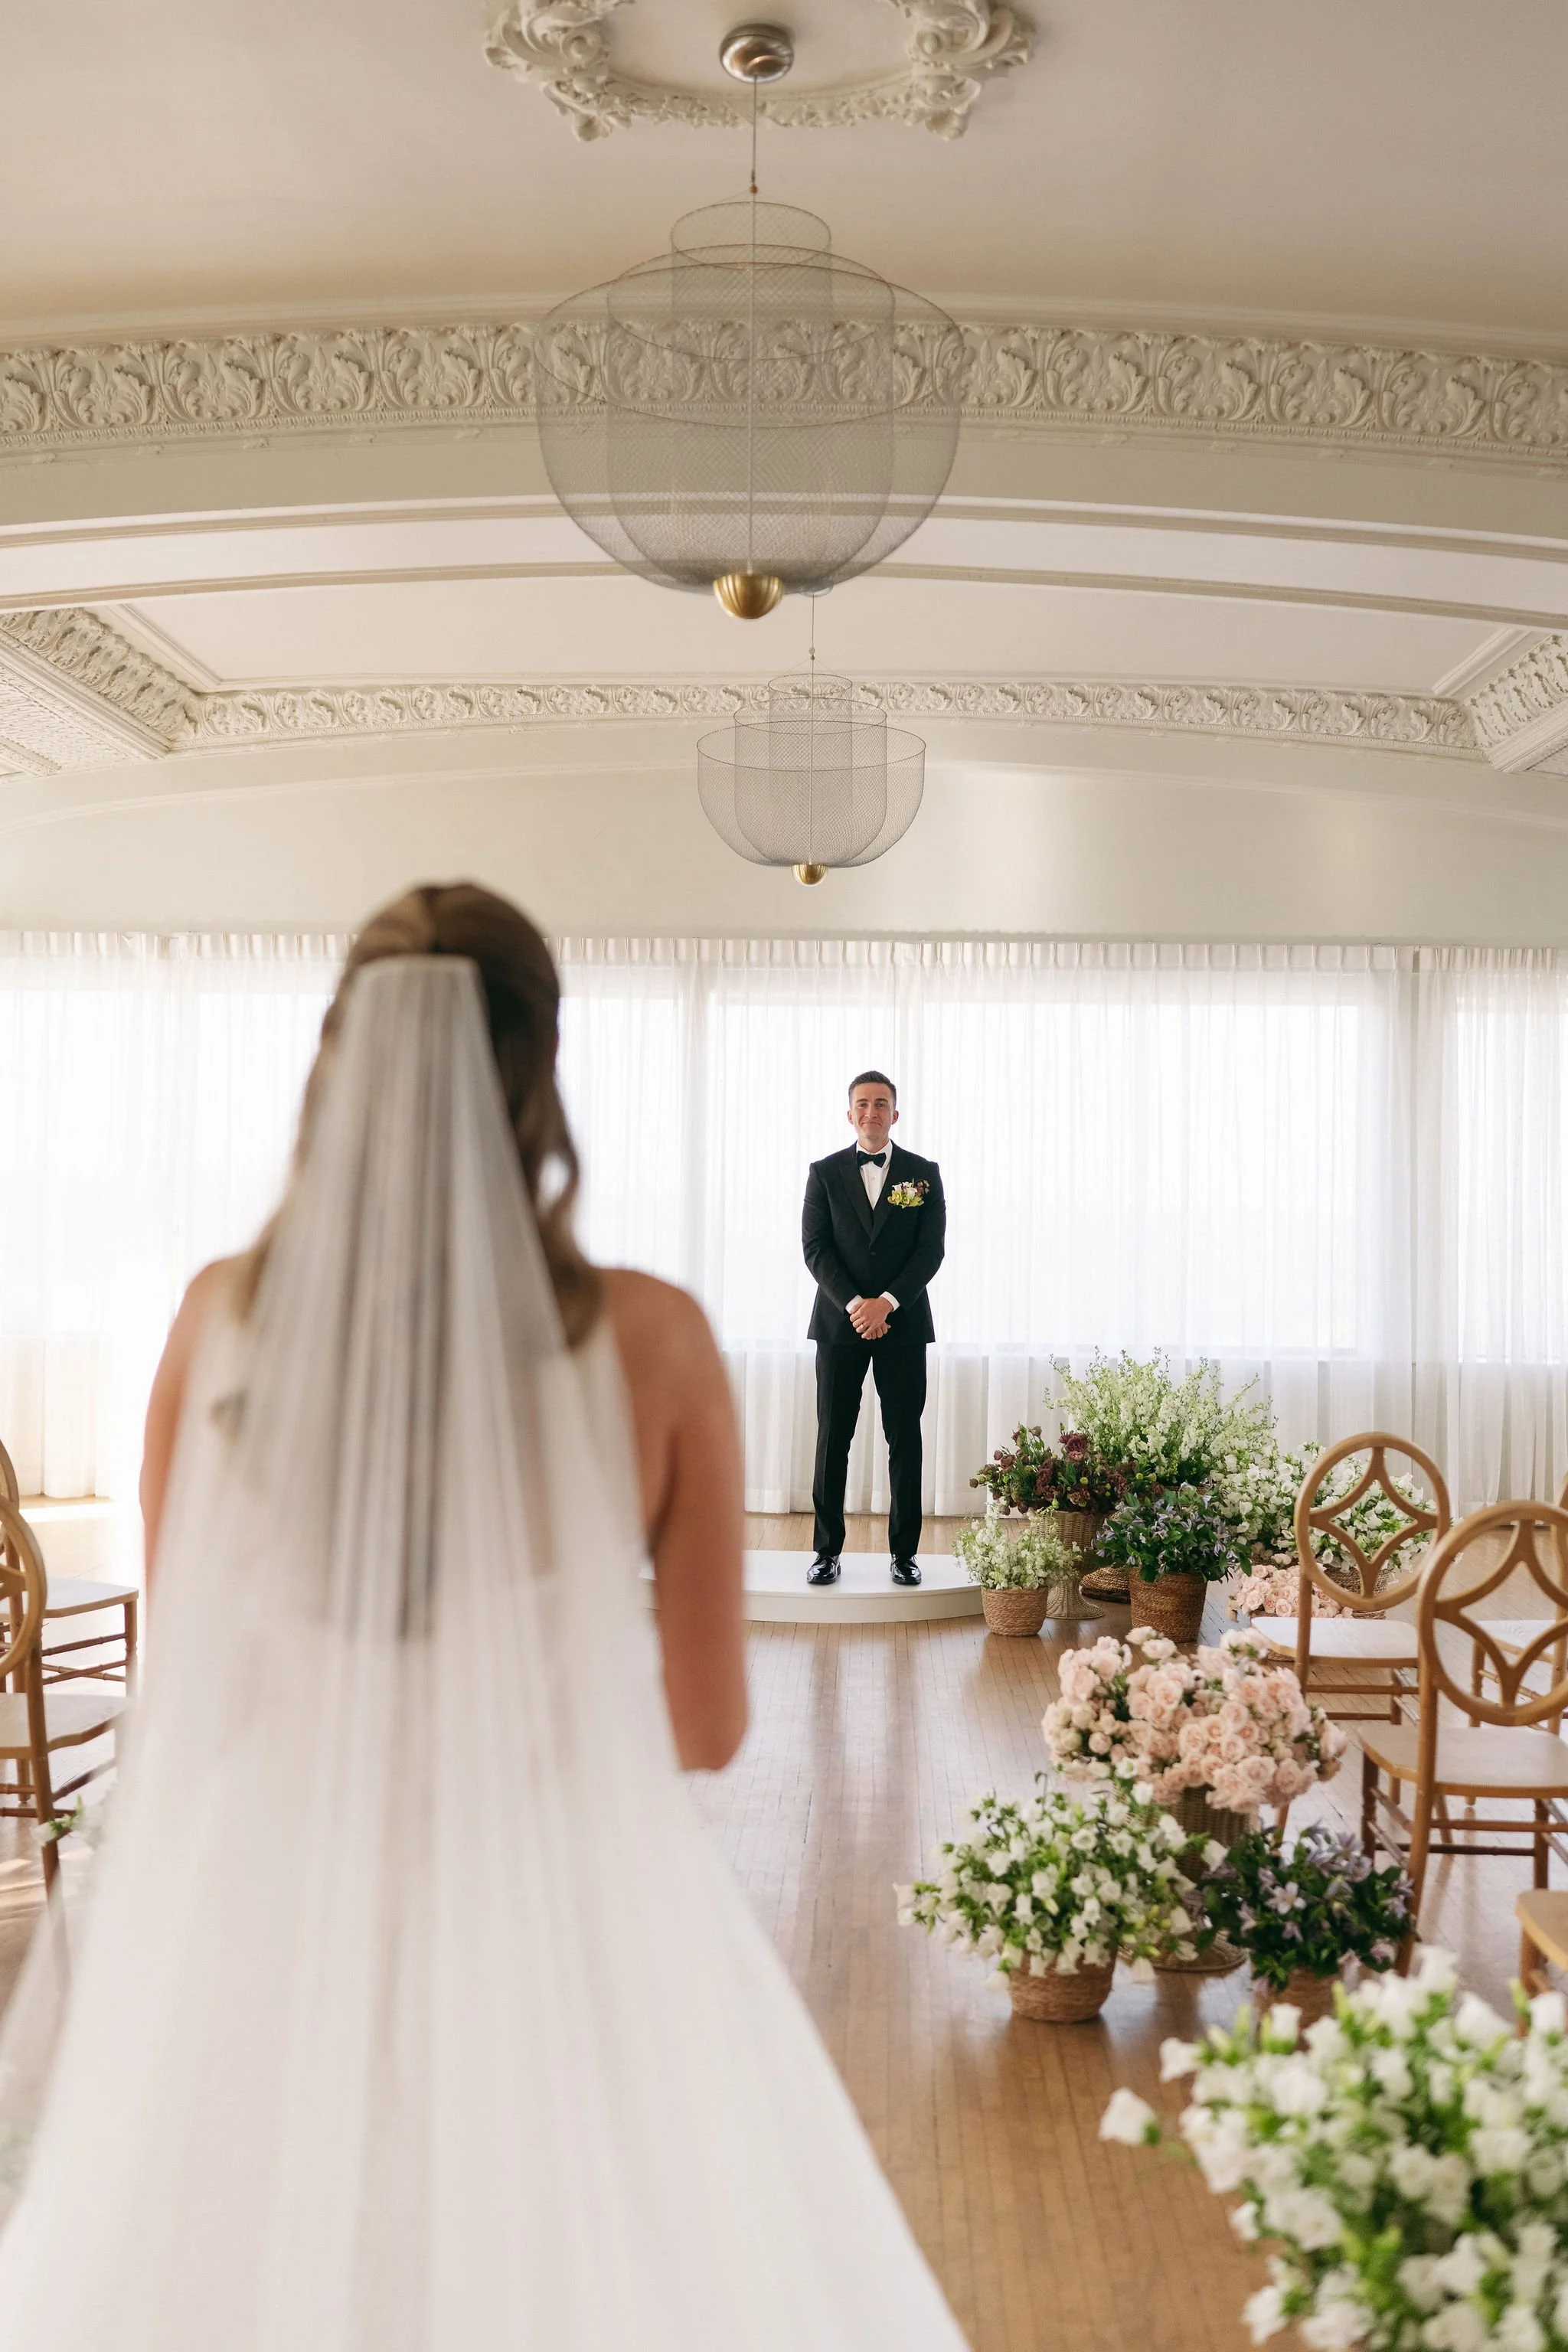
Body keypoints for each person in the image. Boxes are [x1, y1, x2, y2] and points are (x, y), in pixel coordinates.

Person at [0, 886, 969, 2352]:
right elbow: (705, 1729)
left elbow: (196, 1662)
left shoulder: (215, 1316)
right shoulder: (649, 1337)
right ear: (537, 1071)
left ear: (343, 1060)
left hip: (277, 1897)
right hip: (553, 1897)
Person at [802, 1071, 946, 1589]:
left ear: (895, 1113)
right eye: (862, 1104)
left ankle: (905, 1554)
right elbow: (815, 1249)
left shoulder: (923, 1174)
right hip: (839, 1326)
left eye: (880, 1104)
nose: (871, 1112)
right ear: (849, 1114)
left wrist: (886, 1303)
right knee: (832, 1438)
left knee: (904, 1439)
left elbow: (930, 1251)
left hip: (903, 1325)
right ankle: (826, 1552)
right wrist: (856, 1305)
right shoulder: (822, 1173)